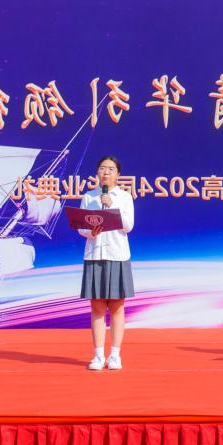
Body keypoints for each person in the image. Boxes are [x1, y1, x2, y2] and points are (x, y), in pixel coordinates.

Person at [77, 155, 135, 370]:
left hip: (117, 254)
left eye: (111, 169)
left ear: (118, 175)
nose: (106, 172)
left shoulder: (124, 197)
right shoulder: (89, 197)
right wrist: (89, 231)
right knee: (97, 306)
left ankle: (115, 355)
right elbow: (81, 227)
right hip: (95, 255)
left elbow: (128, 226)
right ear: (97, 173)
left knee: (117, 306)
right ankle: (98, 355)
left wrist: (112, 208)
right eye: (102, 168)